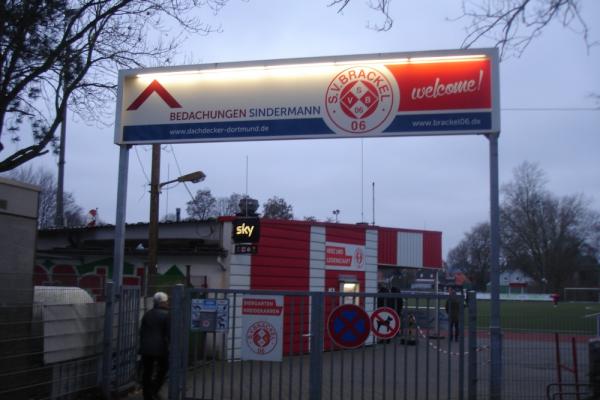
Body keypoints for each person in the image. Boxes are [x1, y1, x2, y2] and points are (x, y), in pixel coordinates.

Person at [140, 292, 170, 400]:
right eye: (167, 301)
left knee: (147, 372)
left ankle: (147, 395)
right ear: (164, 302)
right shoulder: (167, 315)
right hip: (160, 348)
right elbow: (169, 333)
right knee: (163, 369)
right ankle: (154, 390)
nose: (168, 303)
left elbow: (142, 331)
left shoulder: (147, 314)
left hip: (146, 348)